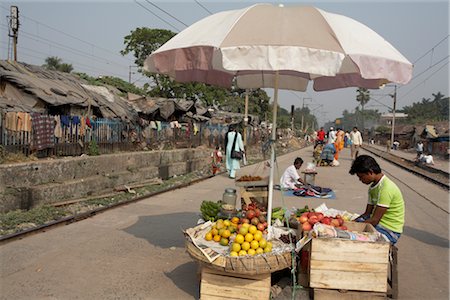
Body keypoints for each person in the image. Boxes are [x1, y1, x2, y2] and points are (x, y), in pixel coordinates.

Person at [349, 155, 404, 244]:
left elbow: (374, 220)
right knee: (352, 226)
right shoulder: (372, 187)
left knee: (354, 239)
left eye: (361, 177)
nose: (360, 180)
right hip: (377, 225)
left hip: (389, 230)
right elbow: (367, 214)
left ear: (370, 172)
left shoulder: (386, 188)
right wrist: (351, 223)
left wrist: (354, 228)